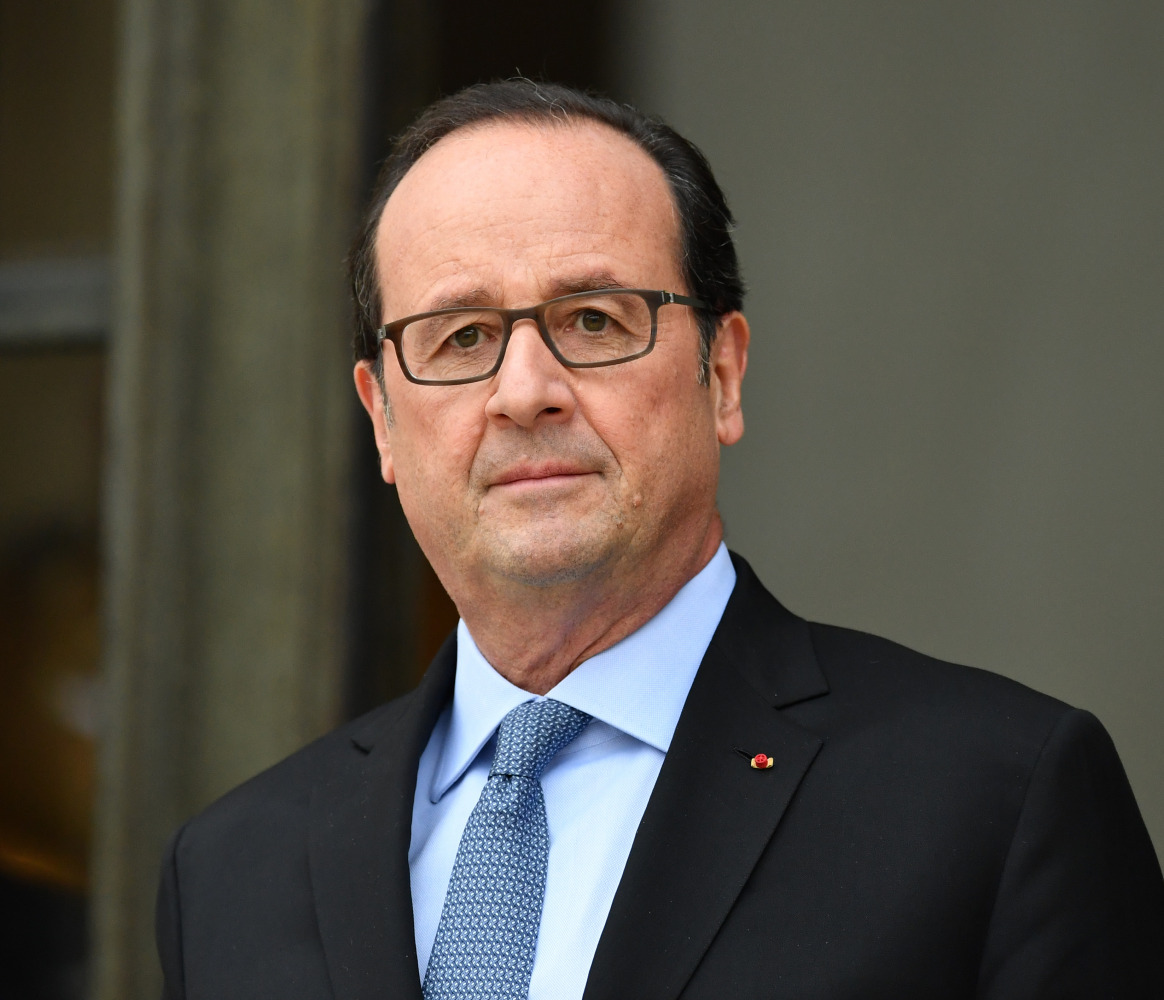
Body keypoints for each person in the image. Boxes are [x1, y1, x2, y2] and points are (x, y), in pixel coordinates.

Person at [155, 80, 1164, 1000]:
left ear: (721, 375)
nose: (524, 392)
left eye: (593, 320)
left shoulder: (993, 798)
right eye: (460, 338)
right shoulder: (232, 871)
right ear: (381, 418)